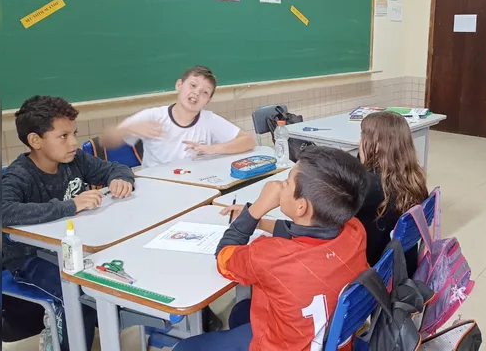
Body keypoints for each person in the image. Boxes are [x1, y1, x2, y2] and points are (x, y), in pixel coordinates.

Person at [175, 147, 370, 351]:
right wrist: (259, 223)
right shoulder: (355, 231)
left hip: (280, 346)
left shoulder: (269, 255)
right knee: (240, 312)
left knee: (184, 347)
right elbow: (308, 233)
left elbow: (224, 258)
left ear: (301, 207)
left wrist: (256, 209)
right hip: (333, 341)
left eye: (286, 182)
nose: (278, 186)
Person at [2, 96, 135, 350]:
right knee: (75, 294)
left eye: (73, 133)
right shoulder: (20, 174)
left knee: (111, 284)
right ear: (35, 141)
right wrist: (71, 205)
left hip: (75, 249)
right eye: (63, 136)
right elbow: (3, 211)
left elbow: (115, 168)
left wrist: (120, 179)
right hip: (30, 258)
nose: (74, 142)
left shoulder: (75, 160)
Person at [101, 65, 256, 168]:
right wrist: (129, 128)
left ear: (208, 101)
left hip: (196, 186)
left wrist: (214, 148)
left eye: (205, 92)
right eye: (193, 85)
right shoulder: (153, 116)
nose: (196, 93)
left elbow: (248, 140)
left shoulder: (209, 120)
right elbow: (105, 140)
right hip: (157, 187)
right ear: (179, 85)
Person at [357, 111, 428, 276]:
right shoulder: (414, 176)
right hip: (403, 264)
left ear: (377, 145)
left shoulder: (369, 189)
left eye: (363, 138)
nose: (359, 143)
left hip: (376, 271)